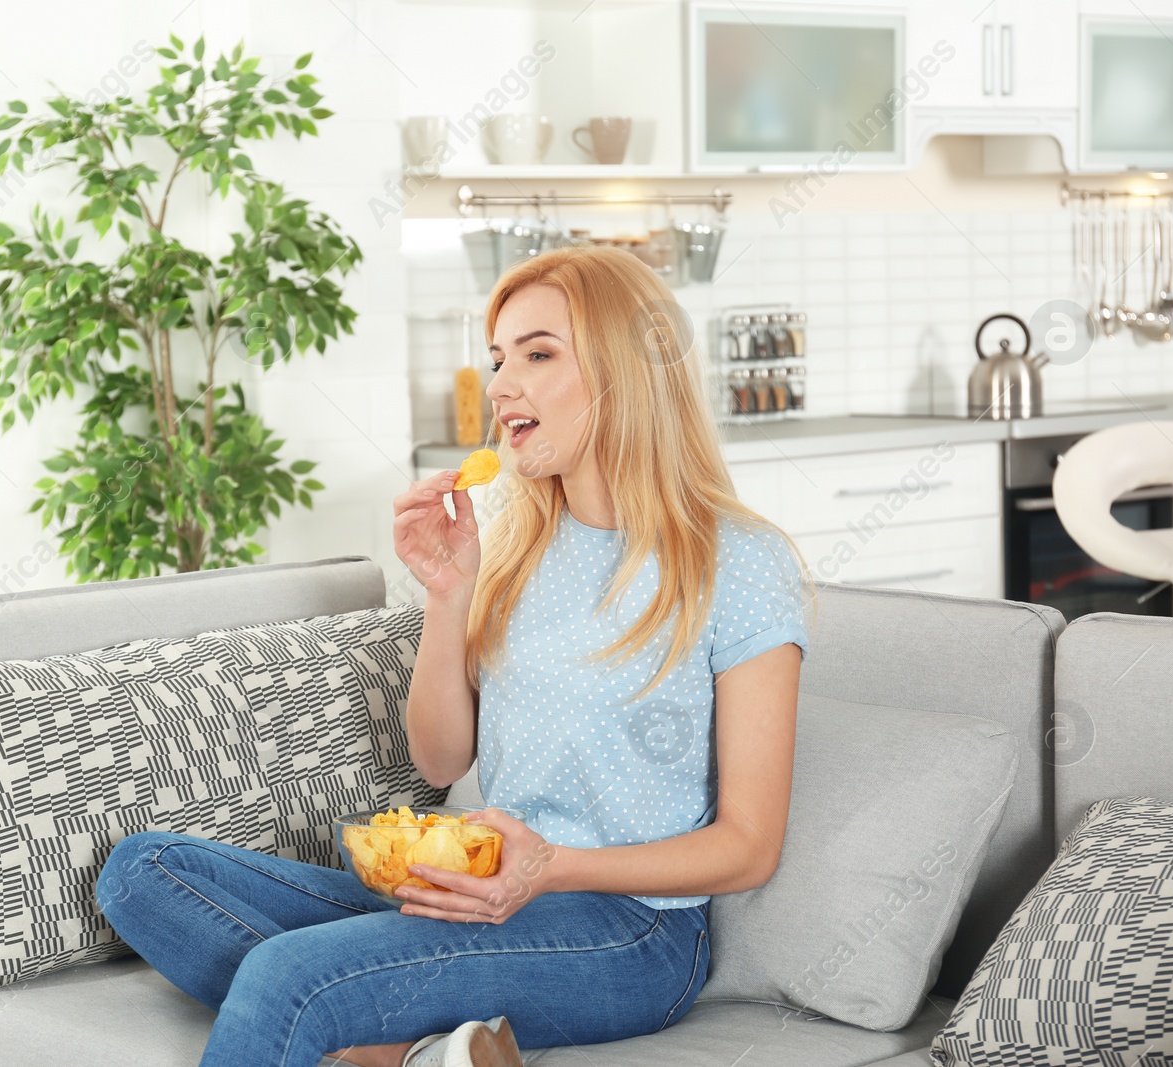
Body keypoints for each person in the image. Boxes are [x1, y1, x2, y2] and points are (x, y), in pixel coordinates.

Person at [96, 243, 814, 1067]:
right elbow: (441, 754)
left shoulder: (740, 563)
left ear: (626, 369)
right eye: (500, 357)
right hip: (477, 894)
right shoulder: (518, 540)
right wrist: (448, 590)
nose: (502, 384)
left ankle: (372, 1042)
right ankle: (426, 1049)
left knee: (288, 975)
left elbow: (750, 844)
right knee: (143, 871)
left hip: (630, 928)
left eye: (539, 354)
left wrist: (549, 867)